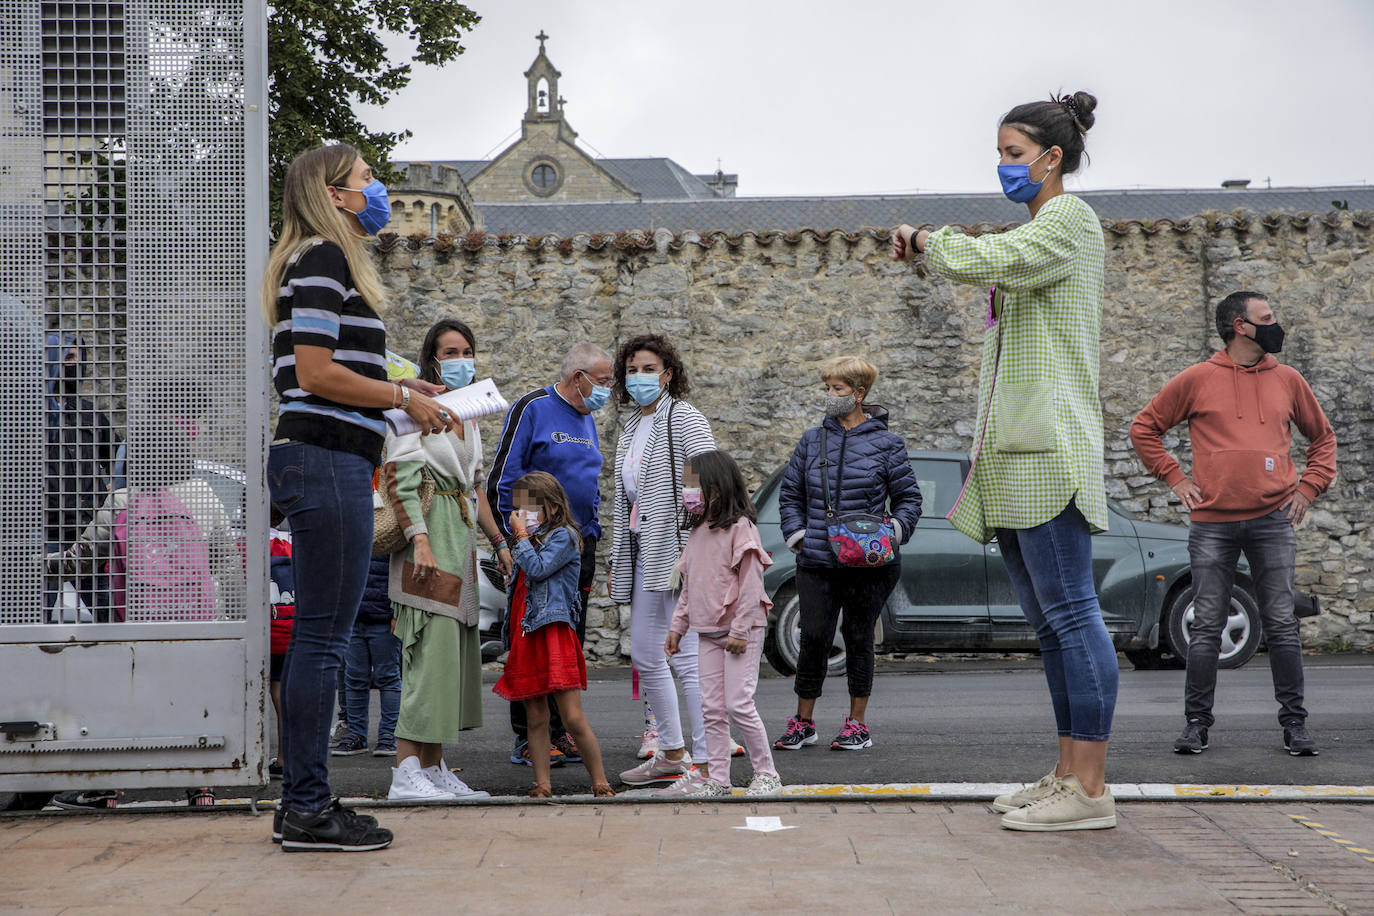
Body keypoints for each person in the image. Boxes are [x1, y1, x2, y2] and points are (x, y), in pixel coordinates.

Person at [893, 91, 1118, 832]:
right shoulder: (1042, 228)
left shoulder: (1068, 220)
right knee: (1051, 624)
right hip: (1018, 451)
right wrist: (938, 252)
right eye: (1000, 154)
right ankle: (1065, 775)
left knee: (1072, 615)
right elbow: (996, 265)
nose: (1003, 167)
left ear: (1053, 159)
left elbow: (991, 257)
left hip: (1048, 451)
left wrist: (930, 240)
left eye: (1014, 154)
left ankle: (1089, 788)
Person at [266, 143, 455, 851]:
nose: (378, 190)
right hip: (325, 460)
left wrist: (401, 398)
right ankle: (310, 807)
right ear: (335, 193)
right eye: (368, 179)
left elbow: (331, 373)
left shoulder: (313, 260)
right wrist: (401, 393)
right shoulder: (323, 257)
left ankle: (302, 806)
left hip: (328, 455)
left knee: (321, 637)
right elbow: (314, 372)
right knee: (324, 639)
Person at [1130, 291, 1336, 757]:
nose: (1275, 325)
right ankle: (1196, 726)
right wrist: (1175, 477)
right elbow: (1144, 428)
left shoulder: (1288, 379)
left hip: (1272, 519)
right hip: (1212, 525)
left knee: (1282, 624)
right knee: (1205, 627)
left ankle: (1295, 726)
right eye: (1267, 318)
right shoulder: (1197, 379)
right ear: (1241, 326)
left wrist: (1308, 487)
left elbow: (1323, 439)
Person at [773, 357, 922, 753]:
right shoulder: (811, 440)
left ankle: (857, 724)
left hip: (870, 563)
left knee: (858, 637)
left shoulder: (888, 444)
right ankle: (803, 722)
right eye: (827, 389)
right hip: (818, 559)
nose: (829, 396)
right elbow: (791, 495)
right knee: (814, 637)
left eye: (837, 389)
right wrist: (798, 536)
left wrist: (895, 531)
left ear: (859, 394)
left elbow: (909, 499)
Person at [383, 318, 503, 803]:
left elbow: (475, 484)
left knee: (448, 659)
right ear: (432, 359)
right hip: (429, 543)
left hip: (458, 542)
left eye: (466, 351)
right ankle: (404, 772)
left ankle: (432, 769)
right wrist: (422, 542)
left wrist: (498, 542)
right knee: (427, 656)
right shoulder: (415, 412)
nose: (460, 360)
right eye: (450, 352)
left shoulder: (468, 414)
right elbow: (401, 479)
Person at [486, 342, 613, 769]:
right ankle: (528, 737)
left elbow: (586, 483)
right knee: (529, 633)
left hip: (577, 545)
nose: (609, 389)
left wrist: (588, 534)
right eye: (603, 380)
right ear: (578, 376)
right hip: (535, 544)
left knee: (564, 634)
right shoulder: (534, 407)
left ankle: (559, 731)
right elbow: (503, 477)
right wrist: (508, 539)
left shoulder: (587, 417)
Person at [610, 334, 716, 787]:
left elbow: (703, 479)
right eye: (632, 369)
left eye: (648, 369)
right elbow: (625, 495)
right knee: (647, 653)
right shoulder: (632, 426)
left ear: (668, 374)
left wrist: (690, 542)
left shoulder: (684, 417)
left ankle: (710, 763)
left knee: (688, 659)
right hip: (643, 551)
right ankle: (671, 752)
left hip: (677, 552)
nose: (639, 377)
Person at [663, 450, 782, 798]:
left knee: (738, 704)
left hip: (739, 635)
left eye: (692, 485)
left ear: (716, 489)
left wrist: (740, 631)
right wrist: (677, 627)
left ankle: (767, 773)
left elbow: (750, 585)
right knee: (712, 708)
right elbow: (690, 586)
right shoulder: (698, 532)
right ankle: (719, 779)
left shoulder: (741, 530)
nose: (688, 493)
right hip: (707, 634)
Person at [494, 472, 614, 798]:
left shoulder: (565, 537)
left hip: (554, 633)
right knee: (536, 717)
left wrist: (518, 537)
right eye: (519, 508)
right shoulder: (527, 542)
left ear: (551, 504)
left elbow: (538, 569)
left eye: (530, 507)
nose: (523, 514)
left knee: (572, 716)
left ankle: (600, 781)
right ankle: (542, 784)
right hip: (528, 635)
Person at [44, 331, 119, 620]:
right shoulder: (29, 413)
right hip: (46, 530)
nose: (71, 363)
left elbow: (115, 458)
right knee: (30, 615)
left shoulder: (90, 414)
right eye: (65, 357)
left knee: (108, 612)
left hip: (86, 530)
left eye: (75, 357)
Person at [331, 554, 401, 758]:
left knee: (387, 677)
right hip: (353, 618)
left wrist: (397, 612)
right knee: (354, 678)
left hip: (383, 618)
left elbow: (399, 573)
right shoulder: (350, 530)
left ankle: (388, 735)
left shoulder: (389, 531)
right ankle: (357, 735)